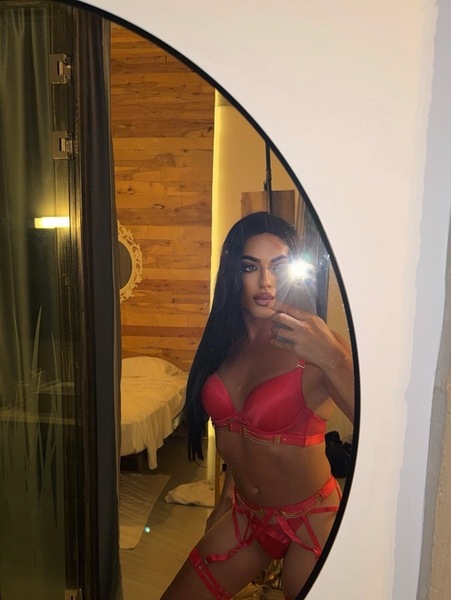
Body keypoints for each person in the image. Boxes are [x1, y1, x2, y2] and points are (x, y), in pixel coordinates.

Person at [161, 212, 354, 600]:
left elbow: (381, 431)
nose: (266, 282)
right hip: (246, 515)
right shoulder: (224, 344)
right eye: (250, 267)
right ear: (233, 274)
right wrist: (225, 499)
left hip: (313, 519)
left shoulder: (316, 341)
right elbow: (240, 436)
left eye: (278, 266)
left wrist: (333, 359)